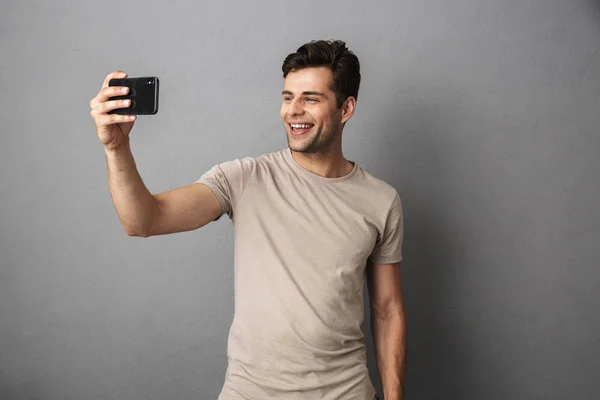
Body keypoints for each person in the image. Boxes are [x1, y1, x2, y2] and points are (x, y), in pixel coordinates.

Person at [89, 40, 406, 400]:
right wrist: (116, 148)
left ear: (346, 107)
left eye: (311, 99)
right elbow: (143, 220)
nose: (293, 111)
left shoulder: (381, 200)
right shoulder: (243, 178)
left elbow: (387, 310)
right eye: (288, 97)